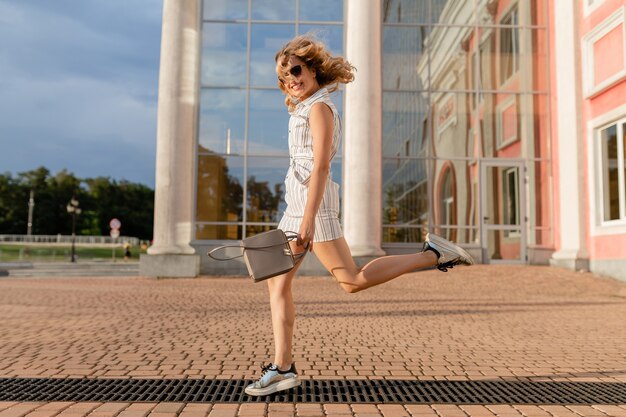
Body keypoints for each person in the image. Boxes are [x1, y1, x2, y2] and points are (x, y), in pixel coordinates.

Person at [244, 35, 474, 397]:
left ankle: (433, 254)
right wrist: (295, 216)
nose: (290, 79)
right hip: (296, 208)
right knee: (277, 284)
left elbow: (320, 166)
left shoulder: (320, 108)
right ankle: (282, 368)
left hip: (312, 209)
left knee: (351, 280)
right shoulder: (305, 107)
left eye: (295, 70)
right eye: (283, 76)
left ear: (312, 68)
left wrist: (306, 221)